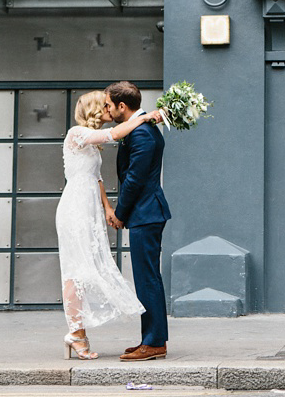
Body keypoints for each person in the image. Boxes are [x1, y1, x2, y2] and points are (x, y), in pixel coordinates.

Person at [57, 90, 162, 360]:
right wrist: (145, 117)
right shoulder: (76, 133)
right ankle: (76, 333)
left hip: (90, 207)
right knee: (74, 270)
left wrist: (108, 208)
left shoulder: (92, 143)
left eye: (109, 105)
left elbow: (98, 178)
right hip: (74, 208)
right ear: (93, 109)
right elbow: (114, 134)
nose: (108, 110)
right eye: (103, 106)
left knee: (87, 266)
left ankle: (81, 335)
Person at [105, 81, 171, 362]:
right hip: (146, 212)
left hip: (146, 212)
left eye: (108, 105)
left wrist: (120, 212)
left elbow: (134, 178)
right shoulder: (142, 128)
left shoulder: (142, 133)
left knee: (147, 278)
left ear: (122, 106)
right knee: (147, 278)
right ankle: (150, 339)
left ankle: (155, 342)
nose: (106, 110)